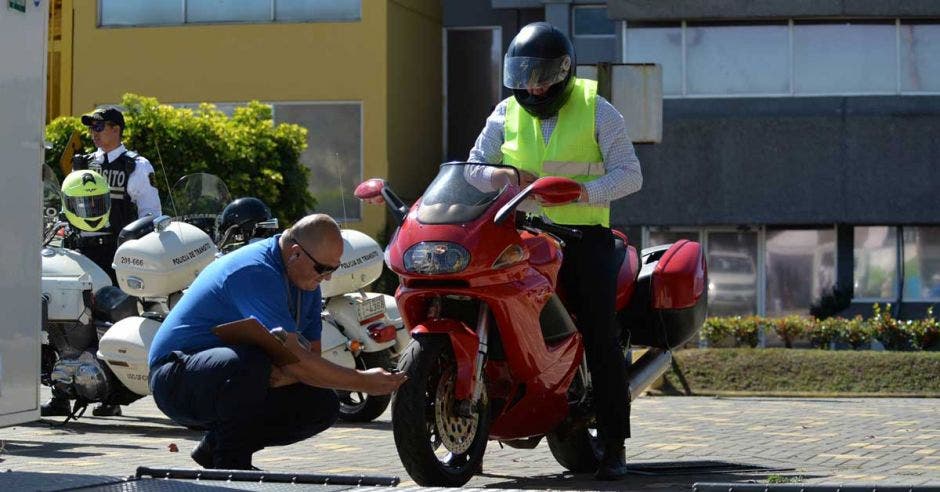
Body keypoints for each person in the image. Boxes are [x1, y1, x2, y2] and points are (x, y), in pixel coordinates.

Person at [465, 22, 642, 480]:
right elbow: (472, 168)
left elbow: (631, 174)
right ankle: (477, 428)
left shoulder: (599, 110)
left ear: (565, 71)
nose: (533, 84)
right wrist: (498, 179)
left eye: (542, 74)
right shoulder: (504, 111)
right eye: (523, 74)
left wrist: (581, 194)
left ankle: (615, 444)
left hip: (584, 240)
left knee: (599, 333)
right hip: (521, 236)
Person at [148, 214, 406, 470]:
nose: (327, 277)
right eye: (323, 268)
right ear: (295, 253)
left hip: (228, 374)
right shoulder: (256, 271)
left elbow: (310, 359)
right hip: (175, 380)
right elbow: (294, 361)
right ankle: (230, 464)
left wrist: (290, 371)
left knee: (322, 404)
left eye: (334, 269)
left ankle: (214, 448)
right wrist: (363, 381)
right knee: (253, 361)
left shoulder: (308, 285)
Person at [42, 106, 162, 418]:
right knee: (64, 317)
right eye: (92, 128)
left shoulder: (135, 165)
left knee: (110, 321)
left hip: (116, 253)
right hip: (79, 249)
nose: (94, 133)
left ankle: (112, 393)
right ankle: (62, 391)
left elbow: (151, 213)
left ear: (116, 129)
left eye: (100, 127)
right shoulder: (85, 164)